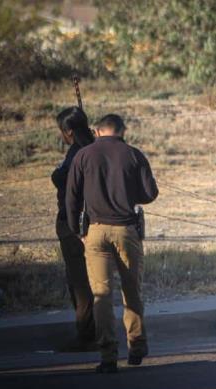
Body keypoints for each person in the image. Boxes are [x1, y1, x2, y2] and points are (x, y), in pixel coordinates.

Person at [66, 114, 158, 373]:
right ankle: (137, 347)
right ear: (122, 131)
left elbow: (71, 196)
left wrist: (76, 230)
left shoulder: (83, 156)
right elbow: (150, 194)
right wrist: (128, 191)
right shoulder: (133, 154)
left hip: (94, 233)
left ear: (97, 131)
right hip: (127, 230)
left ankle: (108, 355)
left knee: (102, 295)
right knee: (132, 291)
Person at [52, 107, 95, 350]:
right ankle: (94, 330)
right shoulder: (91, 148)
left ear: (68, 131)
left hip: (74, 224)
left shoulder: (78, 153)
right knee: (92, 279)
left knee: (80, 281)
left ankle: (87, 335)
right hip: (86, 220)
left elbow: (67, 184)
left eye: (62, 131)